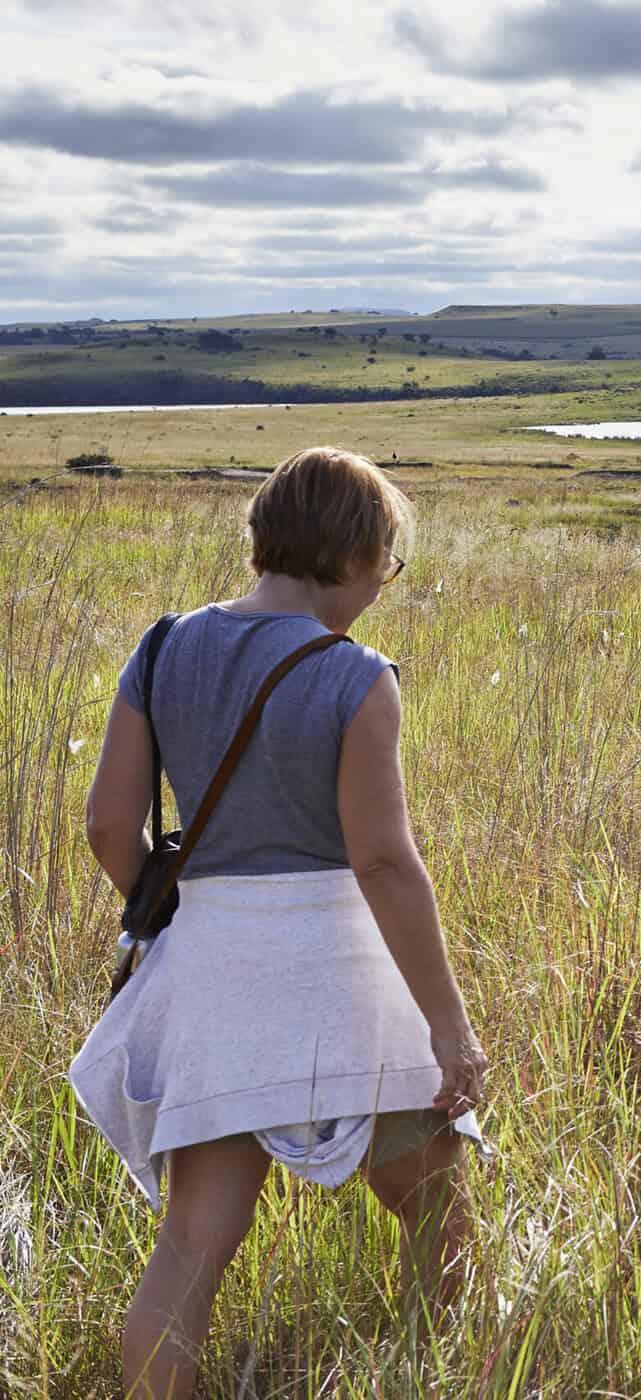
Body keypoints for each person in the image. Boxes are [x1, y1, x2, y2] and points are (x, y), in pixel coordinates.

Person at [70, 447, 488, 1400]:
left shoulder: (163, 645)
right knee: (437, 1215)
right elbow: (382, 862)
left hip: (215, 967)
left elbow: (106, 825)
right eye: (388, 560)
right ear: (352, 553)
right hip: (344, 973)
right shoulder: (355, 675)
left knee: (190, 1250)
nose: (384, 584)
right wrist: (450, 1026)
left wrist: (187, 915)